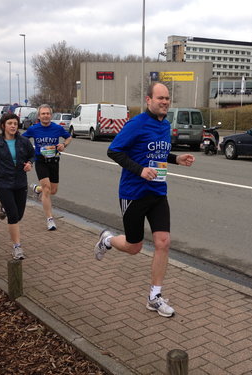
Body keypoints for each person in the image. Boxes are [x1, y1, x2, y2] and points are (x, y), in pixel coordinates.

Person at [94, 82, 195, 318]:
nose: (165, 102)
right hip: (133, 193)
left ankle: (154, 297)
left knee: (163, 242)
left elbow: (157, 153)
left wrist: (176, 158)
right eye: (160, 98)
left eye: (167, 99)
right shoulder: (136, 124)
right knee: (134, 246)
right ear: (148, 100)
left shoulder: (165, 124)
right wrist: (139, 170)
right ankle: (107, 240)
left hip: (158, 192)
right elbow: (114, 150)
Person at [0, 113, 35, 260]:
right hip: (3, 183)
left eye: (15, 123)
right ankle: (17, 247)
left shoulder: (23, 142)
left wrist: (29, 164)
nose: (13, 126)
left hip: (20, 182)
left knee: (19, 214)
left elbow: (32, 155)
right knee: (13, 215)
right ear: (3, 125)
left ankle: (3, 207)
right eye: (10, 123)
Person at [22, 104, 71, 231]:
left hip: (54, 160)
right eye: (43, 114)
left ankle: (37, 189)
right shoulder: (34, 129)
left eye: (47, 113)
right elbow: (22, 139)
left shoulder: (57, 128)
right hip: (40, 161)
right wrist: (28, 153)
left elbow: (69, 137)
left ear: (51, 115)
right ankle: (50, 219)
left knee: (53, 190)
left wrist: (63, 144)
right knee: (47, 189)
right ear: (39, 116)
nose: (45, 116)